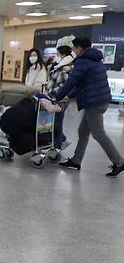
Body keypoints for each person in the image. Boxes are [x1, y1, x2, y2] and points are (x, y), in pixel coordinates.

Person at [52, 37, 124, 177]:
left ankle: (119, 161)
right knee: (83, 131)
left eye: (74, 48)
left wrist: (58, 96)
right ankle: (76, 160)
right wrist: (68, 96)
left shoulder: (83, 61)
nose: (73, 51)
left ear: (79, 49)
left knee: (98, 133)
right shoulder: (95, 59)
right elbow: (82, 83)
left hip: (94, 103)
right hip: (101, 100)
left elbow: (72, 81)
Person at [46, 36, 75, 150]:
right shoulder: (65, 64)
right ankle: (61, 139)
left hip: (59, 98)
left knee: (57, 122)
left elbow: (64, 85)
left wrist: (55, 96)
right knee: (56, 121)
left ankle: (57, 147)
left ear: (59, 51)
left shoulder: (64, 67)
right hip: (59, 98)